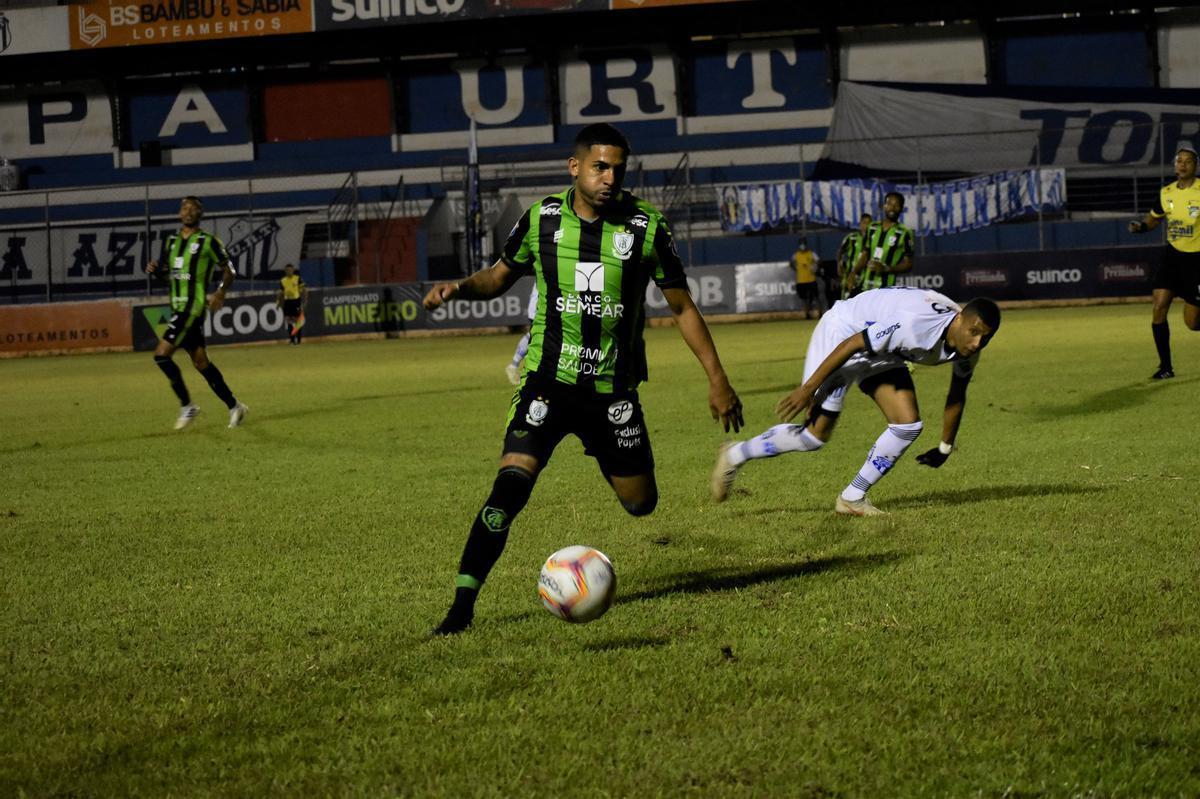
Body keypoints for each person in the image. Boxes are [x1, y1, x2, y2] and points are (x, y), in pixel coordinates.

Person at [423, 123, 743, 635]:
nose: (609, 177)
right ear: (575, 168)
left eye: (618, 167)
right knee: (509, 487)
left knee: (641, 504)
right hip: (547, 384)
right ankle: (461, 606)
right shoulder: (542, 219)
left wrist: (717, 379)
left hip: (612, 394)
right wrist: (459, 287)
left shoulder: (645, 227)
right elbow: (498, 276)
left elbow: (682, 307)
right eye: (599, 166)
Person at [711, 287, 1000, 516]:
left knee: (908, 425)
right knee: (814, 437)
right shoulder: (915, 325)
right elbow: (853, 344)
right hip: (843, 334)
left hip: (884, 351)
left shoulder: (969, 351)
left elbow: (957, 394)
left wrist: (945, 447)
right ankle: (735, 454)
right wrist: (808, 388)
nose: (976, 343)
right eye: (973, 332)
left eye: (984, 338)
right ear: (959, 317)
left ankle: (852, 498)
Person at [146, 196, 248, 430]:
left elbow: (229, 270)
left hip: (193, 309)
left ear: (199, 215)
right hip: (177, 307)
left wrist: (221, 292)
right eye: (185, 207)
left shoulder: (208, 242)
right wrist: (156, 272)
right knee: (201, 363)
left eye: (193, 208)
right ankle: (235, 406)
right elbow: (169, 275)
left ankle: (187, 406)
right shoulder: (171, 242)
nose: (188, 211)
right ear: (180, 213)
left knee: (161, 354)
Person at [1128, 143, 1200, 380]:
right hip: (1173, 257)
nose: (1182, 164)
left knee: (1192, 323)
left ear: (1195, 166)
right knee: (1158, 306)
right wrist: (1141, 227)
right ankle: (1166, 367)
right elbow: (1154, 220)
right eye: (1179, 160)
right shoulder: (1166, 192)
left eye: (1187, 161)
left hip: (1197, 261)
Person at [848, 193, 914, 294]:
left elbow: (908, 264)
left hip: (886, 289)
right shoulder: (872, 227)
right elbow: (865, 255)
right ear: (884, 206)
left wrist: (886, 268)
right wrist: (853, 272)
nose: (892, 207)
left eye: (897, 205)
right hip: (865, 286)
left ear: (901, 209)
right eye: (889, 204)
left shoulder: (905, 233)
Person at [505, 283, 539, 385]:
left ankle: (514, 366)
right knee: (535, 335)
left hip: (546, 302)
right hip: (541, 303)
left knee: (535, 335)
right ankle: (514, 366)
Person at [839, 213, 872, 299]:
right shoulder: (851, 238)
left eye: (869, 223)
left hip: (866, 277)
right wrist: (839, 266)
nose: (867, 225)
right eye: (865, 222)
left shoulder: (874, 239)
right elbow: (840, 251)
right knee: (846, 301)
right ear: (860, 224)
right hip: (851, 275)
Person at [275, 263, 308, 345]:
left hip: (296, 301)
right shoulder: (283, 280)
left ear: (293, 270)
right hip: (287, 301)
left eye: (290, 270)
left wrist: (305, 300)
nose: (289, 271)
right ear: (285, 271)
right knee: (288, 320)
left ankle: (299, 340)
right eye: (287, 270)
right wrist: (278, 303)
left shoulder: (297, 279)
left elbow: (304, 290)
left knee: (297, 320)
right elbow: (281, 293)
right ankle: (292, 340)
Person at [791, 236, 819, 319]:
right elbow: (791, 263)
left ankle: (820, 313)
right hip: (801, 280)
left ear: (806, 244)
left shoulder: (811, 253)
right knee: (804, 299)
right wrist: (796, 269)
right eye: (801, 244)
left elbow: (818, 261)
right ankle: (807, 315)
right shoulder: (796, 255)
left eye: (804, 243)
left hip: (811, 279)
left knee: (816, 297)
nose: (802, 245)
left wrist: (815, 268)